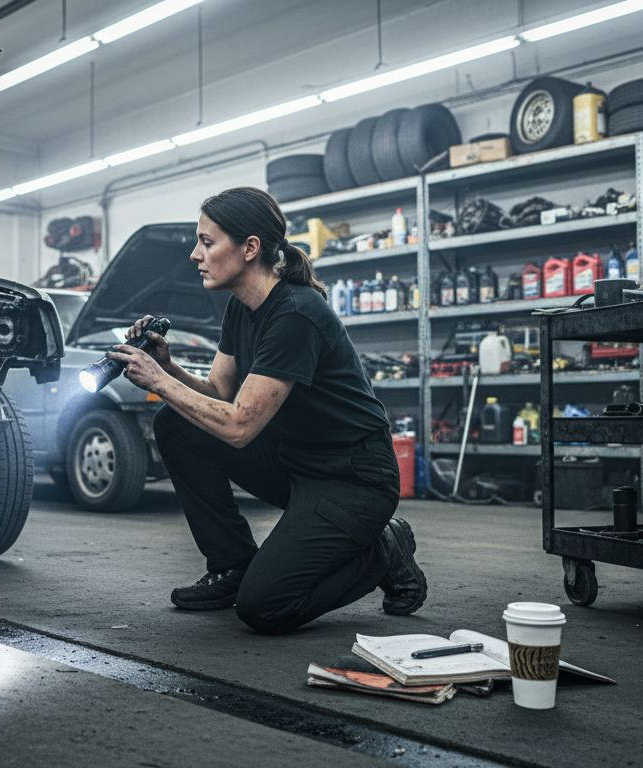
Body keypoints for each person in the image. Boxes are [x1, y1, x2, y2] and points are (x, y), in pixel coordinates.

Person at [106, 186, 426, 634]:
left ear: (250, 247)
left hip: (353, 480)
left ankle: (386, 549)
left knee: (265, 607)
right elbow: (219, 392)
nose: (195, 255)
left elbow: (239, 426)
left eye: (207, 242)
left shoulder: (295, 313)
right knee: (176, 424)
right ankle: (232, 565)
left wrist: (158, 382)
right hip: (295, 463)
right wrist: (168, 367)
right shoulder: (241, 308)